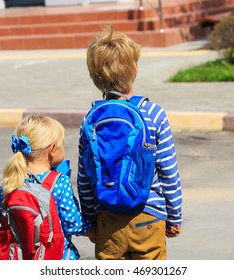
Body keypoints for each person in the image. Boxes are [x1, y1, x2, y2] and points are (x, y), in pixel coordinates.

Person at [77, 25, 183, 260]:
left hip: (107, 219)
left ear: (95, 78)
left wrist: (90, 221)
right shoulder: (153, 113)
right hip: (149, 215)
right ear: (135, 70)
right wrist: (174, 216)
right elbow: (168, 171)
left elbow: (85, 177)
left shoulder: (90, 119)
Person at [0, 114, 93, 260]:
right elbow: (72, 223)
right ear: (52, 149)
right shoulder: (59, 182)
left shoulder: (13, 179)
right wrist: (93, 231)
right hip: (57, 257)